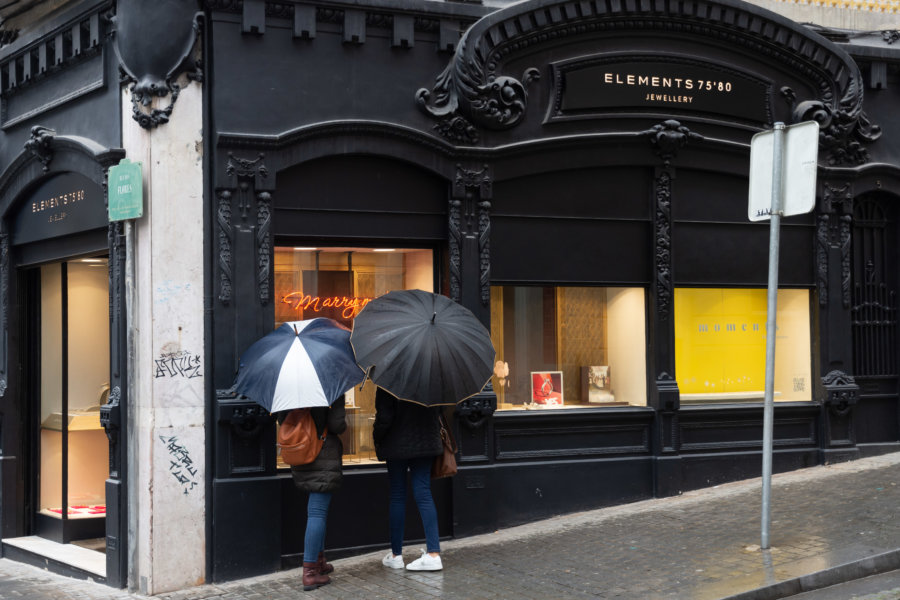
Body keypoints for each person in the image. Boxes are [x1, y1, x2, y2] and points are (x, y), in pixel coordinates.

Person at [278, 395, 347, 591]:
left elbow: (283, 421)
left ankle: (319, 561)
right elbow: (337, 425)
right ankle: (310, 573)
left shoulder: (291, 388)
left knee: (317, 511)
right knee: (317, 513)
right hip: (323, 454)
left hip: (301, 450)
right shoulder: (332, 388)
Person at [373, 386, 444, 571]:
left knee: (397, 495)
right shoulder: (433, 376)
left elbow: (384, 417)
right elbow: (440, 410)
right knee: (423, 492)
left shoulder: (388, 379)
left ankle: (396, 555)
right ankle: (434, 553)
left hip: (396, 443)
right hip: (426, 441)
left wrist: (377, 437)